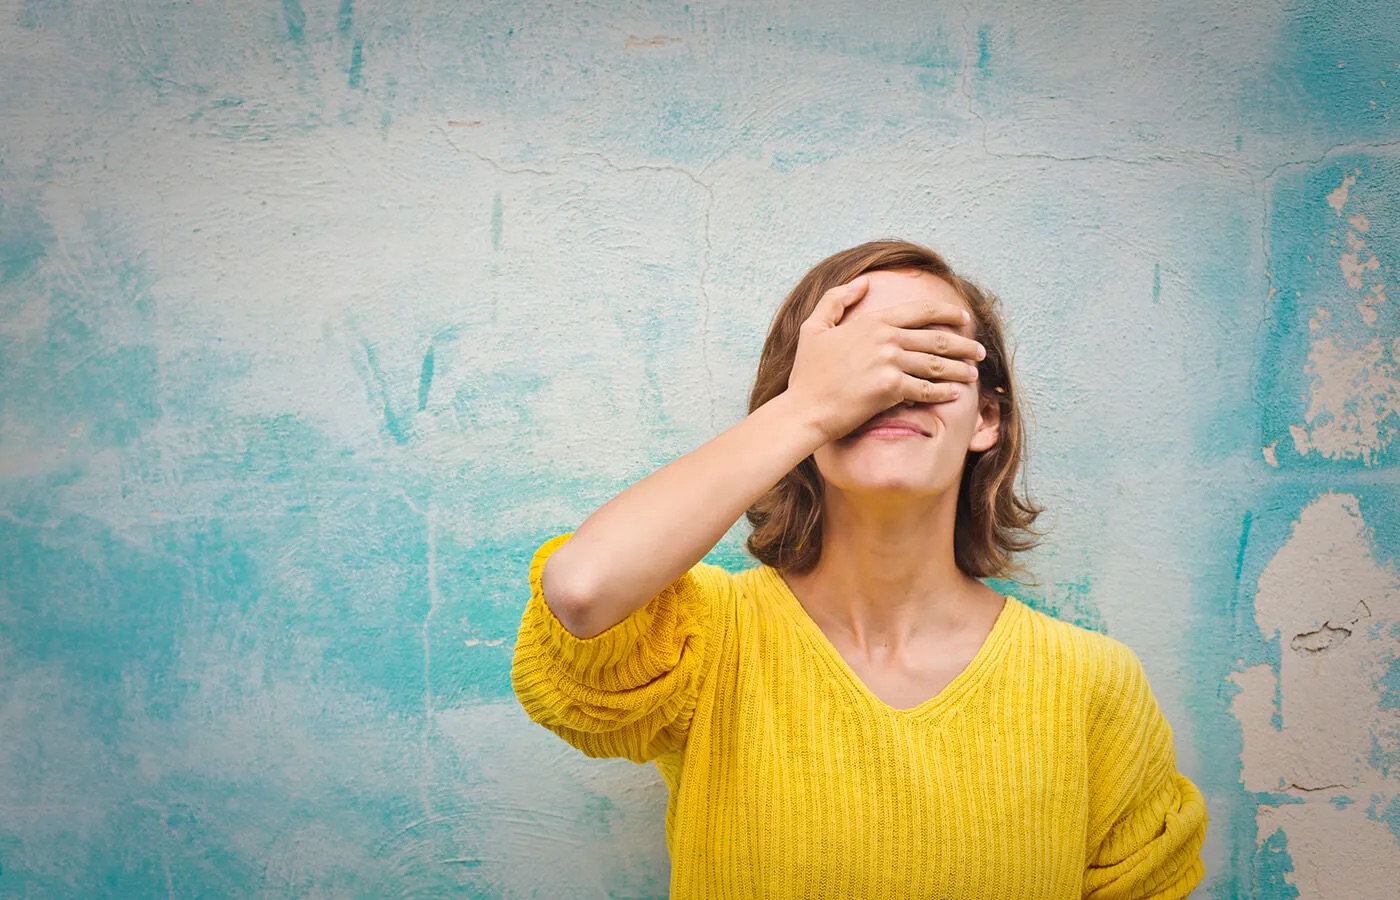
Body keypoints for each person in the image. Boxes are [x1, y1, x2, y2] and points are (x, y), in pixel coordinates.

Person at [511, 239, 1208, 898]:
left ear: (986, 418)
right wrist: (811, 408)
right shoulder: (708, 640)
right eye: (858, 359)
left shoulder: (1091, 684)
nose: (891, 385)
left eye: (931, 355)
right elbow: (582, 590)